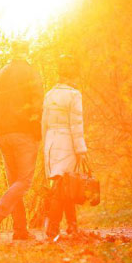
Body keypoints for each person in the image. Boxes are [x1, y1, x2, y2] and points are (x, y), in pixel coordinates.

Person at [0, 40, 44, 241]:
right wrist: (37, 132)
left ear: (12, 52)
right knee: (24, 182)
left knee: (14, 184)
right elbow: (37, 104)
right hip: (23, 132)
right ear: (26, 51)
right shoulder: (30, 73)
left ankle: (20, 231)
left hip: (3, 133)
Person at [42, 54, 88, 241]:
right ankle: (53, 229)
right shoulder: (74, 95)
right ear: (73, 75)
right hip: (67, 142)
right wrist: (81, 149)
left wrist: (45, 146)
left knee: (63, 184)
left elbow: (43, 123)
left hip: (51, 142)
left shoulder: (49, 94)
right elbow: (76, 124)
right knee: (63, 187)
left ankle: (72, 226)